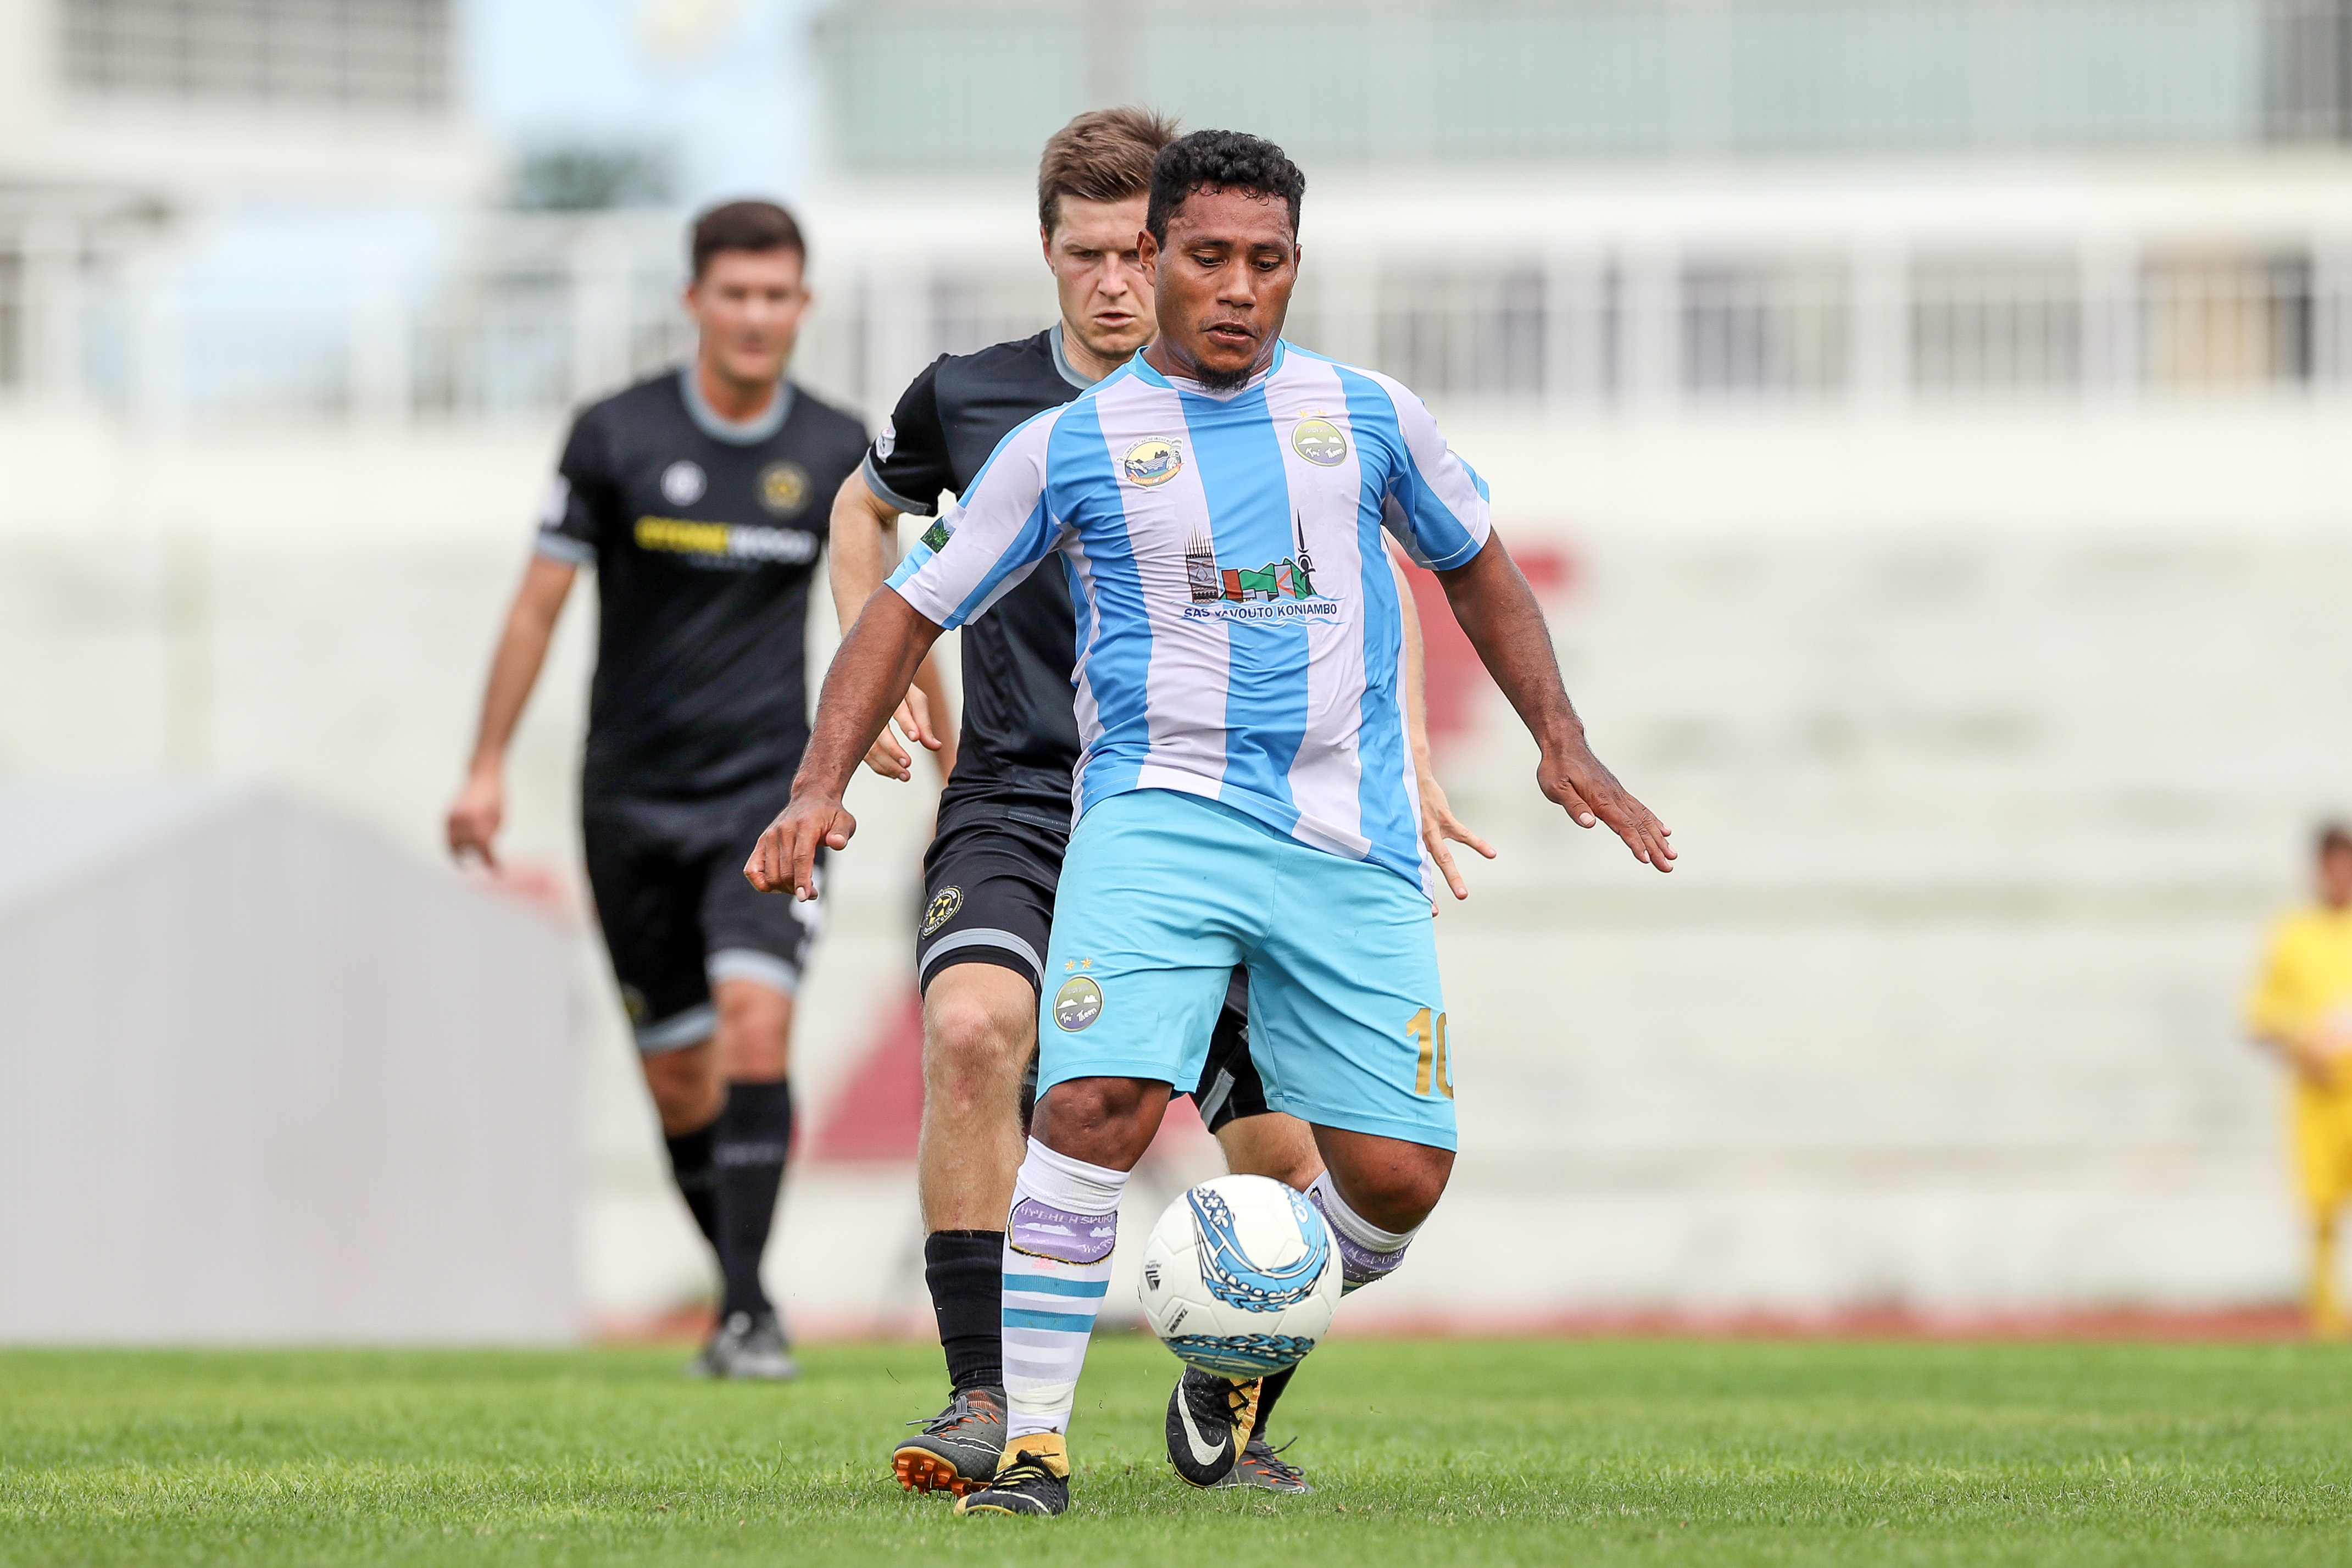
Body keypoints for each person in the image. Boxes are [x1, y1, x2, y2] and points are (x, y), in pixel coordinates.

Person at [750, 130, 1672, 1519]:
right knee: (1090, 1105)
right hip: (1154, 823)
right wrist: (818, 781)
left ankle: (1233, 1344)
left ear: (1296, 263)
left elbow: (1474, 564)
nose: (1238, 287)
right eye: (1208, 258)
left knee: (1398, 1177)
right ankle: (1034, 1443)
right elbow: (903, 604)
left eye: (1267, 260)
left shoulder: (1368, 414)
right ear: (1158, 255)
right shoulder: (1067, 444)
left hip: (1342, 839)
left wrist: (1560, 736)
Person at [829, 108, 1489, 1498]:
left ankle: (1232, 1379)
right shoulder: (986, 406)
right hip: (1027, 792)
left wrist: (1414, 758)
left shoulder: (1304, 412)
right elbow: (867, 521)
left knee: (1302, 1155)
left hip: (1255, 813)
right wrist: (870, 697)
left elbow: (1365, 571)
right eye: (1094, 254)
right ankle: (994, 1402)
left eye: (1146, 252)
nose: (1123, 280)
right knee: (981, 1034)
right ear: (1050, 254)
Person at [447, 201, 868, 1379]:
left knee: (754, 1019)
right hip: (628, 803)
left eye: (775, 294)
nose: (754, 315)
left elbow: (882, 604)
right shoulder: (614, 434)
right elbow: (536, 606)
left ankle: (745, 1311)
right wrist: (485, 764)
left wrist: (936, 741)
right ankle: (744, 1296)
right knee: (679, 1072)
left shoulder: (839, 447)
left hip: (768, 798)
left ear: (803, 304)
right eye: (734, 293)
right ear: (694, 301)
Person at [2245, 822, 2352, 1338]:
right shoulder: (2292, 934)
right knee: (2320, 1207)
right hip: (2317, 1095)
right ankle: (2325, 1315)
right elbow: (2259, 1018)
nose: (2340, 877)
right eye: (2332, 866)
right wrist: (2299, 1051)